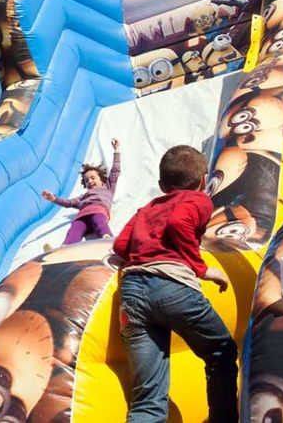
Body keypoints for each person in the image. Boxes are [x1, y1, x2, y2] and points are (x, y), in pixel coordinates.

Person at [113, 145, 237, 423]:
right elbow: (179, 223)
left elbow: (121, 244)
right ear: (204, 181)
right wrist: (202, 269)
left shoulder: (146, 209)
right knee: (222, 354)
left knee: (147, 400)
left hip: (132, 292)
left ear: (161, 185)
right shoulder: (198, 200)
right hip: (173, 287)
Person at [42, 138, 121, 245]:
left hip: (98, 211)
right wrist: (54, 198)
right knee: (74, 231)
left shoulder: (107, 187)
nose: (90, 181)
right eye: (87, 180)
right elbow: (68, 203)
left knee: (99, 223)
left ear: (101, 179)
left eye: (93, 178)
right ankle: (65, 247)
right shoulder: (83, 197)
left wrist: (116, 151)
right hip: (81, 217)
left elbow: (115, 171)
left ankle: (106, 239)